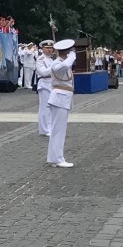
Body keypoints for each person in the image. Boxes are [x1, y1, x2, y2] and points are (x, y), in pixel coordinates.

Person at [46, 39, 77, 168]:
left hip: (63, 98)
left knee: (57, 130)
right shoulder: (57, 64)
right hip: (59, 97)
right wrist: (72, 57)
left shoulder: (61, 63)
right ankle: (57, 158)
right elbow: (64, 67)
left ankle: (54, 158)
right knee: (59, 130)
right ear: (67, 52)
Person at [35, 40, 55, 136]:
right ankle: (44, 129)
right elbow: (43, 72)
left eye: (51, 48)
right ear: (42, 49)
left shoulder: (52, 60)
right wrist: (54, 67)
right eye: (47, 48)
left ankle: (50, 127)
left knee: (51, 107)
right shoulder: (40, 59)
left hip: (51, 83)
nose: (49, 50)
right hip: (44, 83)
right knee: (44, 108)